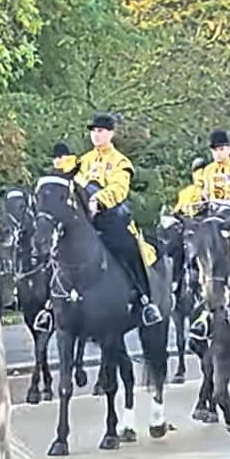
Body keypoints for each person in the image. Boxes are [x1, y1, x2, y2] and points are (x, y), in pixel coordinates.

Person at [75, 112, 163, 326]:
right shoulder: (82, 161)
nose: (96, 135)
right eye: (93, 131)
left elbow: (119, 188)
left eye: (101, 131)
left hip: (110, 217)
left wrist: (98, 201)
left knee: (129, 247)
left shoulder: (120, 161)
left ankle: (145, 299)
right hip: (84, 218)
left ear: (111, 134)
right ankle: (53, 303)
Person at [195, 129, 230, 205]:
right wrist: (202, 193)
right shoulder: (208, 170)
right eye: (215, 150)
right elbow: (203, 190)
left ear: (229, 149)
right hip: (212, 208)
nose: (218, 153)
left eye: (221, 149)